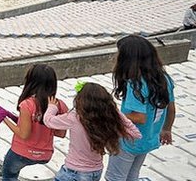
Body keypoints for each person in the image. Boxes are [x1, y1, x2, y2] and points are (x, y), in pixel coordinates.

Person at [106, 35, 177, 181]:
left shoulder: (135, 85)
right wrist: (167, 129)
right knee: (132, 175)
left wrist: (112, 116)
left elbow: (139, 117)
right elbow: (171, 108)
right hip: (148, 139)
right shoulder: (164, 79)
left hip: (128, 142)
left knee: (115, 177)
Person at [44, 83, 140, 181]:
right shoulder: (105, 120)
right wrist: (115, 113)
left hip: (74, 172)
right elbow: (136, 133)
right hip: (96, 172)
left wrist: (52, 107)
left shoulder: (74, 117)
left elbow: (48, 120)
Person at [1, 64, 68, 181]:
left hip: (21, 153)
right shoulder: (60, 105)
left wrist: (4, 119)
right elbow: (61, 134)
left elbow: (23, 134)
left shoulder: (27, 104)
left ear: (31, 81)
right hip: (45, 155)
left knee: (8, 175)